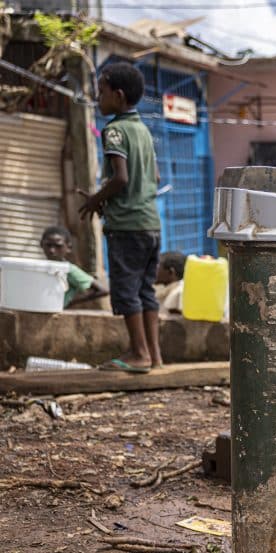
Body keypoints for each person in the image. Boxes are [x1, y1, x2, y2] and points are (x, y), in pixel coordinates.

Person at [78, 62, 163, 373]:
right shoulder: (142, 130)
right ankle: (154, 355)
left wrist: (95, 200)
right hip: (151, 223)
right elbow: (152, 175)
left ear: (118, 95)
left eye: (101, 93)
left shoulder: (114, 130)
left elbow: (121, 178)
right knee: (146, 291)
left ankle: (138, 354)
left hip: (127, 226)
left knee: (127, 291)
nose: (98, 99)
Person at [39, 226, 108, 308]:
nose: (52, 250)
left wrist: (70, 301)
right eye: (48, 245)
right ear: (41, 244)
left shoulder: (68, 269)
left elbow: (103, 290)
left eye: (58, 246)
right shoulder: (39, 266)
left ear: (69, 248)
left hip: (54, 311)